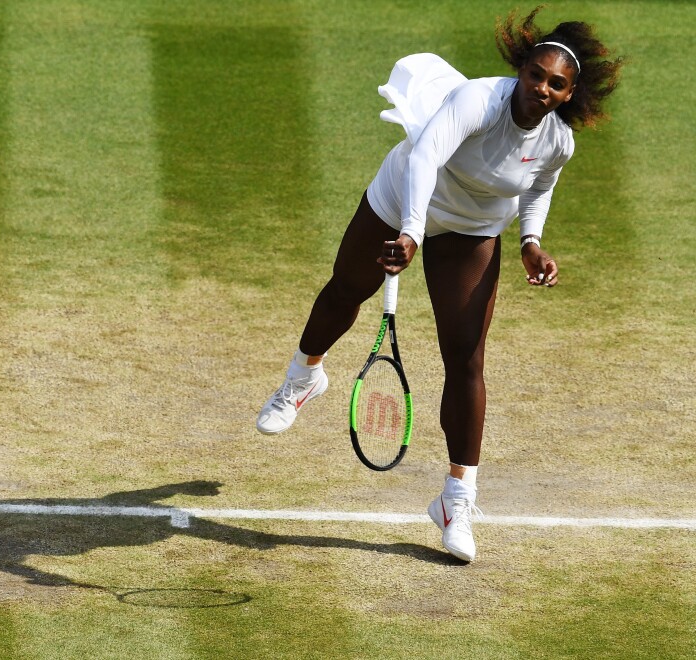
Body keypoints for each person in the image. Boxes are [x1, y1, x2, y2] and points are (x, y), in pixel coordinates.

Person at [256, 7, 623, 562]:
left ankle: (456, 499)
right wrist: (410, 231)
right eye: (535, 75)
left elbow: (538, 187)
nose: (542, 88)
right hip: (409, 192)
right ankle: (303, 377)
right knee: (347, 287)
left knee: (466, 356)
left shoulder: (559, 142)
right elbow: (426, 156)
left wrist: (530, 242)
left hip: (473, 227)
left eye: (556, 84)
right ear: (521, 71)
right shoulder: (479, 99)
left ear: (568, 94)